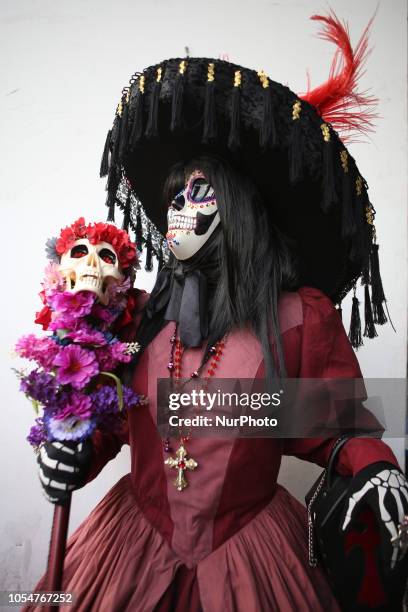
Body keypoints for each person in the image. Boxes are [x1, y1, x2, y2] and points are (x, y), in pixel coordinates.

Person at [28, 13, 408, 612]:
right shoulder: (138, 316)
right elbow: (110, 417)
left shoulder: (295, 320)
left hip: (249, 562)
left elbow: (339, 430)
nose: (180, 207)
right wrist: (71, 447)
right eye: (175, 194)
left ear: (238, 210)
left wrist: (378, 473)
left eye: (200, 192)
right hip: (131, 547)